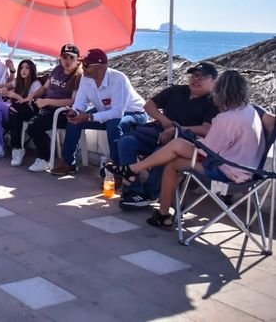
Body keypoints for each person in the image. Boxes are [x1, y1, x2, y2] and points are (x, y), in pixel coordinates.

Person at [107, 70, 265, 229]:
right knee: (174, 148)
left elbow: (206, 152)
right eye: (194, 75)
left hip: (228, 172)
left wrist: (186, 139)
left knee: (173, 161)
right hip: (248, 170)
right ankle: (143, 184)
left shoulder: (226, 118)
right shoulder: (250, 111)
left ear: (221, 92)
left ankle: (160, 210)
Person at [117, 62, 219, 210]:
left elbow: (206, 129)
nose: (196, 79)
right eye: (194, 75)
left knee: (163, 152)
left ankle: (150, 194)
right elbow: (148, 105)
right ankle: (134, 190)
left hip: (183, 141)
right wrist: (165, 121)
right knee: (126, 142)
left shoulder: (213, 102)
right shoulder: (176, 91)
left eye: (202, 77)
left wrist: (177, 129)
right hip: (156, 132)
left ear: (214, 81)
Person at [51, 48, 148, 176]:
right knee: (73, 122)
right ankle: (69, 163)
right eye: (82, 63)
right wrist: (75, 113)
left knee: (114, 124)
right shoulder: (85, 78)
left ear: (100, 67)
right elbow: (80, 102)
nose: (82, 67)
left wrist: (90, 117)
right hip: (105, 110)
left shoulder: (118, 79)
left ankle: (118, 169)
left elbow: (117, 112)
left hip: (134, 113)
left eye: (86, 64)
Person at [22, 44, 83, 172]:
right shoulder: (57, 70)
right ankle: (15, 148)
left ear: (78, 59)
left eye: (71, 58)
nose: (68, 61)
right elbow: (45, 88)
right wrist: (31, 96)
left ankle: (44, 158)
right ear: (60, 57)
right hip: (46, 106)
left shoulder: (78, 77)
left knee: (33, 126)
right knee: (18, 111)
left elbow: (72, 101)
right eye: (65, 57)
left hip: (62, 112)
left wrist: (48, 101)